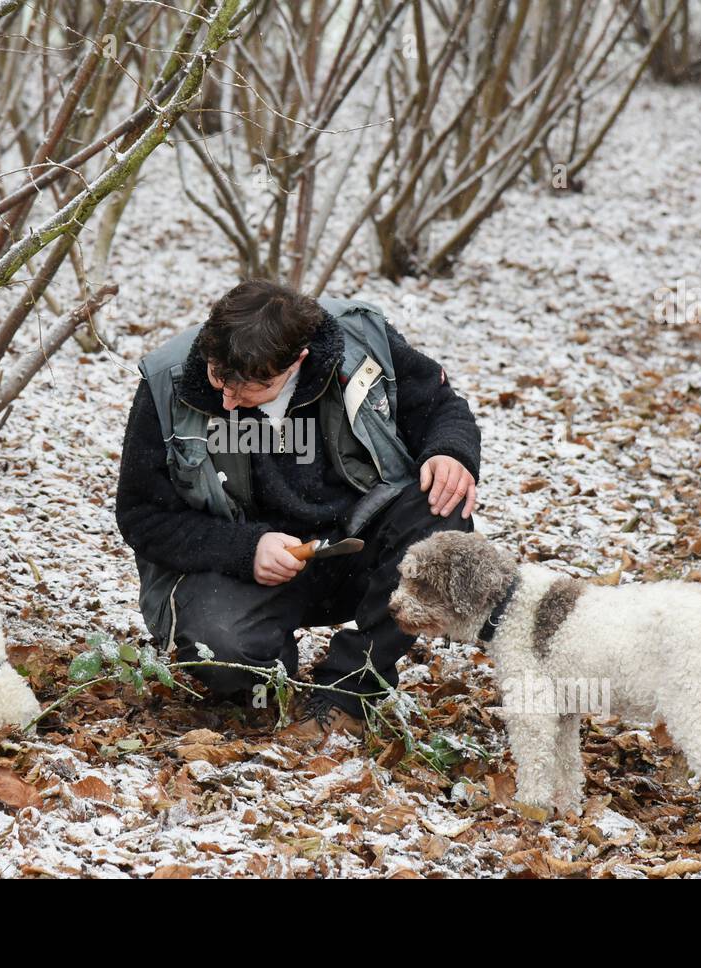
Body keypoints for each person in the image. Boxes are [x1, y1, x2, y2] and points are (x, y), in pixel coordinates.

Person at [115, 280, 481, 743]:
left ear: (298, 361)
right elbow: (140, 514)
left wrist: (450, 453)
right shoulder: (166, 381)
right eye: (216, 377)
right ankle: (272, 685)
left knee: (442, 518)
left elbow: (440, 407)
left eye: (252, 387)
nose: (226, 400)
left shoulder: (361, 344)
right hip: (245, 567)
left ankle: (347, 694)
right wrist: (246, 549)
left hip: (357, 546)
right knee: (222, 650)